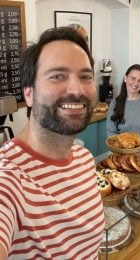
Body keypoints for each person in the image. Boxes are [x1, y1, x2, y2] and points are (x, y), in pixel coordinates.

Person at [0, 27, 104, 259]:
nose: (77, 90)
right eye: (57, 76)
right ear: (29, 94)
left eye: (85, 76)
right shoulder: (9, 179)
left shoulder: (84, 158)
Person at [107, 64, 140, 159]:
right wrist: (120, 152)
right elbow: (111, 132)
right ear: (125, 78)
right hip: (120, 153)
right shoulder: (115, 102)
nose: (136, 83)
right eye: (133, 78)